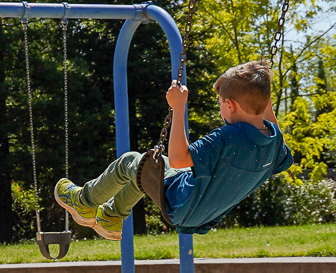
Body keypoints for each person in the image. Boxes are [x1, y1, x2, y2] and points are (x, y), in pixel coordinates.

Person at [54, 60, 295, 239]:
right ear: (265, 105)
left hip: (181, 204)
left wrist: (178, 108)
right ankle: (110, 217)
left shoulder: (227, 138)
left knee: (130, 161)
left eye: (221, 103)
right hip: (205, 213)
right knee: (146, 168)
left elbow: (179, 159)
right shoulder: (274, 144)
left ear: (229, 105)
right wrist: (265, 99)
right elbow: (273, 130)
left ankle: (84, 202)